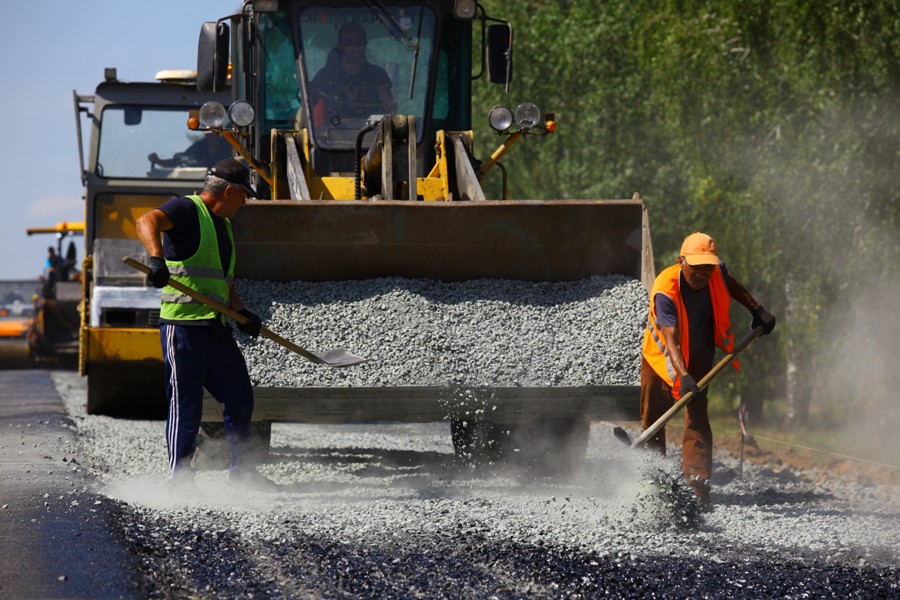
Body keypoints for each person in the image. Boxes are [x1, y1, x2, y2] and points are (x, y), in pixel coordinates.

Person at [135, 158, 276, 494]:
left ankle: (243, 473)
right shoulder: (186, 209)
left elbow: (222, 281)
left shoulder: (223, 225)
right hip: (183, 329)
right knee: (186, 405)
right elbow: (146, 220)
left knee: (240, 397)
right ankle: (180, 480)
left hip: (216, 328)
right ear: (229, 191)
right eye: (243, 196)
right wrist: (156, 260)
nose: (244, 202)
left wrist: (242, 313)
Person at [640, 232, 775, 510]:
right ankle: (654, 486)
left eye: (708, 268)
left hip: (700, 353)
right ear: (682, 261)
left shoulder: (715, 271)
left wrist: (756, 309)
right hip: (661, 360)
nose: (702, 275)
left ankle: (697, 490)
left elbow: (731, 283)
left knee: (698, 416)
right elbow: (669, 338)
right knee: (654, 418)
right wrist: (684, 376)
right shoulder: (665, 289)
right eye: (696, 269)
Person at [309, 22, 397, 125]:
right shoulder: (325, 76)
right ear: (340, 46)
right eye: (349, 42)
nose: (355, 47)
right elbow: (308, 107)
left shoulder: (378, 75)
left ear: (365, 45)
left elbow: (390, 108)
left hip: (371, 135)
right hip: (331, 137)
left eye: (359, 41)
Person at [148, 134, 232, 169]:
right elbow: (177, 161)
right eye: (209, 130)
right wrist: (157, 160)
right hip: (198, 184)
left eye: (215, 129)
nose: (212, 134)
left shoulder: (230, 146)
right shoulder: (198, 147)